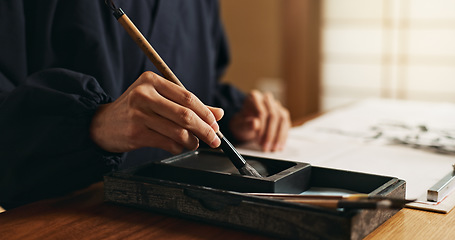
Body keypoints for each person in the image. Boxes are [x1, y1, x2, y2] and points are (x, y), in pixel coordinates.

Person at [0, 0, 290, 209]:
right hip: (65, 212)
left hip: (182, 208)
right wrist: (95, 125)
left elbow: (197, 83)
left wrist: (233, 116)